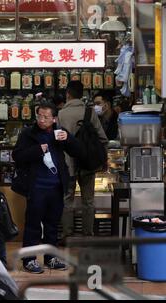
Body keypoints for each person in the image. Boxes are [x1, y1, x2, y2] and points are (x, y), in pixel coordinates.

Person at [12, 101, 82, 273]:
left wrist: (69, 139)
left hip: (56, 186)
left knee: (52, 225)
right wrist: (37, 150)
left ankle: (51, 258)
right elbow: (17, 156)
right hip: (36, 187)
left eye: (45, 117)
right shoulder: (28, 134)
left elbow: (79, 151)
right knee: (33, 225)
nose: (41, 120)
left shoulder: (60, 133)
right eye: (39, 116)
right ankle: (29, 260)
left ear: (54, 118)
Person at [58, 81, 108, 239]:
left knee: (67, 200)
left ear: (68, 94)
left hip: (68, 164)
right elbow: (102, 138)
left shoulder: (61, 114)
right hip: (87, 163)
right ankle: (88, 234)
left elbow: (58, 141)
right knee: (88, 200)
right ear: (82, 95)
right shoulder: (89, 112)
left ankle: (67, 234)